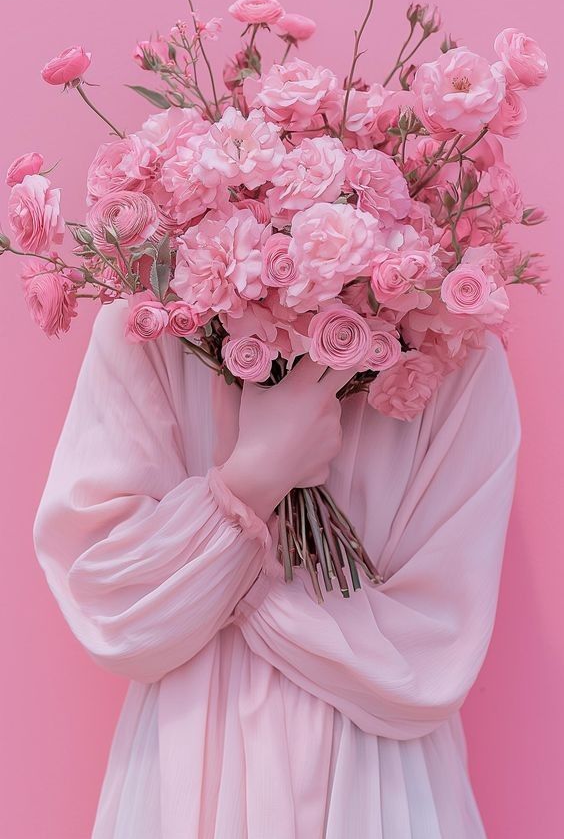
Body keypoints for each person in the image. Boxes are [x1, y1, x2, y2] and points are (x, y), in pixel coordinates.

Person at [33, 296, 521, 838]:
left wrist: (235, 576)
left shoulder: (451, 334)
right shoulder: (152, 314)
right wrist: (254, 478)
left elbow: (433, 658)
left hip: (372, 784)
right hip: (191, 767)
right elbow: (115, 610)